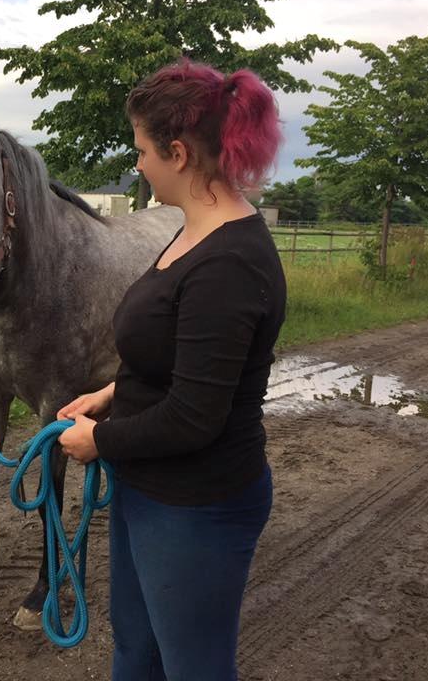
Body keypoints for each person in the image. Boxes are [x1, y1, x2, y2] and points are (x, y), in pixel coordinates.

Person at [57, 59, 287, 681]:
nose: (138, 164)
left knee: (194, 668)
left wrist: (97, 441)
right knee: (136, 651)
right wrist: (110, 393)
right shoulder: (195, 232)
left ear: (178, 153)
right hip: (151, 489)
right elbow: (173, 349)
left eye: (142, 151)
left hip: (197, 503)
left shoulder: (229, 264)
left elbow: (194, 416)